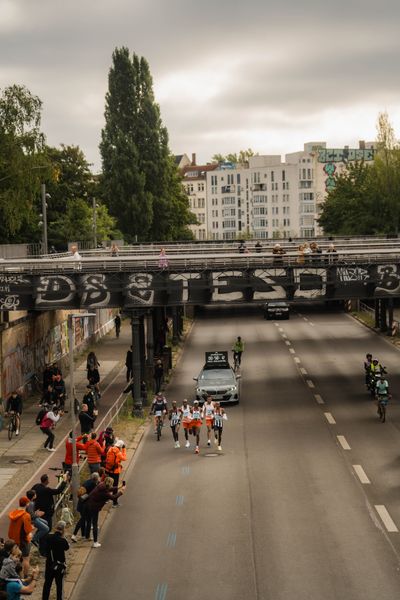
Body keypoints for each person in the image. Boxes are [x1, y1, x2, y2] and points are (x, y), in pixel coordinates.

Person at [85, 477, 125, 547]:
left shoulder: (101, 485)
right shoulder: (104, 492)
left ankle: (87, 536)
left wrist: (119, 487)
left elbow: (109, 489)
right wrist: (121, 492)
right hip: (94, 507)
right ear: (109, 484)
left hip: (89, 504)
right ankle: (95, 542)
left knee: (88, 520)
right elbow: (113, 497)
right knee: (95, 524)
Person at [42, 520, 69, 600]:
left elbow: (44, 548)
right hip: (59, 565)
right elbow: (66, 548)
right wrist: (63, 537)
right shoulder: (62, 540)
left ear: (55, 528)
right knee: (59, 584)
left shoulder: (48, 537)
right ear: (63, 530)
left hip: (49, 564)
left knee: (47, 584)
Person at [71, 472, 100, 542]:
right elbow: (94, 494)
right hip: (86, 504)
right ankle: (78, 535)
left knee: (83, 519)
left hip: (81, 503)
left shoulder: (87, 482)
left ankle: (83, 535)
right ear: (96, 478)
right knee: (87, 520)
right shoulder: (93, 484)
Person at [7, 497, 33, 577]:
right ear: (27, 504)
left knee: (16, 558)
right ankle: (25, 577)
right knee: (26, 559)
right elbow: (28, 530)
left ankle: (16, 575)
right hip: (23, 540)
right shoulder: (26, 515)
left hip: (13, 539)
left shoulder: (13, 513)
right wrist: (31, 531)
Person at [104, 440, 126, 507]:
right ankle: (115, 502)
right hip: (115, 471)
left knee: (108, 485)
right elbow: (124, 458)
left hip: (108, 469)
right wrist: (124, 449)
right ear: (120, 446)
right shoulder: (118, 453)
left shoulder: (110, 449)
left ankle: (106, 499)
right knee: (115, 486)